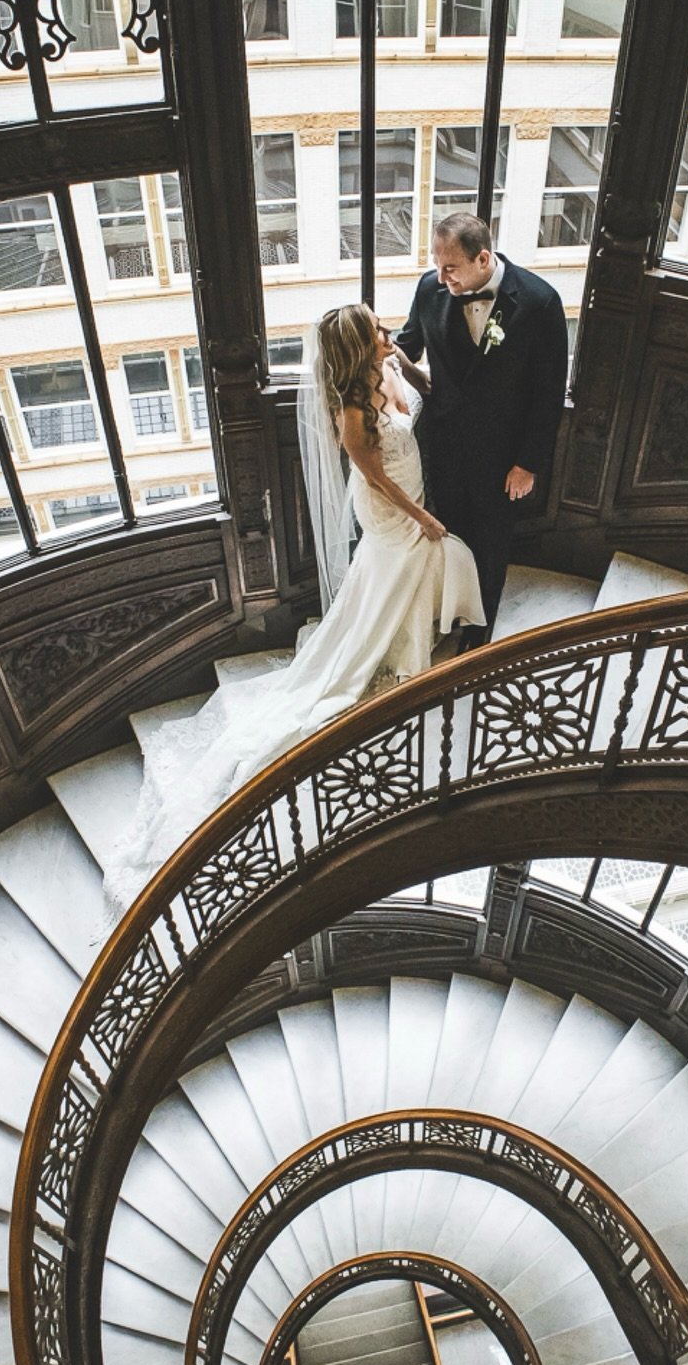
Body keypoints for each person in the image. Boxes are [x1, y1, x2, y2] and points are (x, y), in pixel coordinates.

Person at [103, 303, 483, 919]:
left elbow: (422, 402)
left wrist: (405, 365)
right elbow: (376, 479)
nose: (390, 333)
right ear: (358, 347)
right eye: (378, 332)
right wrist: (423, 516)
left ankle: (415, 634)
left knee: (414, 572)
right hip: (391, 510)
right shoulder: (350, 413)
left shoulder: (385, 372)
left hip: (412, 490)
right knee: (409, 563)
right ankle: (387, 646)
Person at [396, 212, 569, 641]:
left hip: (502, 456)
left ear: (483, 258)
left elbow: (549, 393)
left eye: (450, 267)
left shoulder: (539, 302)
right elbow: (407, 344)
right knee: (450, 535)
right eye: (436, 264)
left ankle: (480, 630)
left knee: (491, 545)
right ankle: (452, 611)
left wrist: (527, 464)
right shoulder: (429, 288)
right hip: (444, 446)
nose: (441, 276)